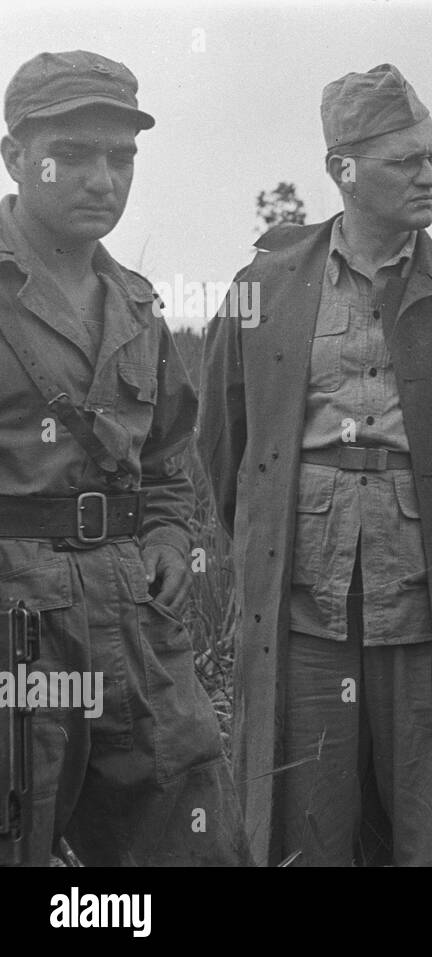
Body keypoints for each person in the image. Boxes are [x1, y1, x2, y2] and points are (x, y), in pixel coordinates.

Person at [198, 64, 432, 866]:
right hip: (304, 606)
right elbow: (225, 448)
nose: (429, 175)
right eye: (406, 160)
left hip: (427, 607)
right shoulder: (261, 290)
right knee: (306, 823)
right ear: (343, 168)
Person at [0, 50, 247, 866]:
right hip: (15, 619)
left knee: (188, 828)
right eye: (71, 155)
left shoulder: (137, 304)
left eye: (121, 156)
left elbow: (170, 454)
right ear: (14, 157)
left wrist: (171, 539)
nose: (102, 179)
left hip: (132, 615)